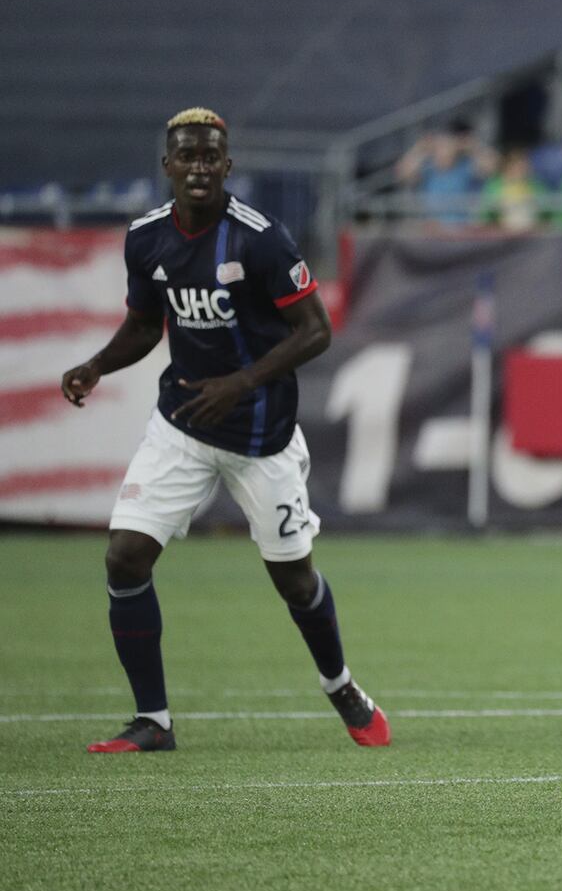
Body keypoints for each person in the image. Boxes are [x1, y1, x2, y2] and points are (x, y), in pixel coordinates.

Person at [59, 108, 388, 753]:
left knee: (295, 581)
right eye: (187, 156)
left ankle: (341, 685)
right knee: (125, 556)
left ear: (227, 166)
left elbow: (316, 330)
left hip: (262, 437)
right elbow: (143, 325)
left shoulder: (261, 239)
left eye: (211, 156)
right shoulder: (146, 238)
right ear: (168, 165)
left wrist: (241, 383)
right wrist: (97, 365)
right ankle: (153, 721)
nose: (199, 167)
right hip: (180, 426)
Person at [394, 119, 498, 223]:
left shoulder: (466, 167)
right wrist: (419, 148)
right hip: (432, 228)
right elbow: (402, 174)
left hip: (463, 228)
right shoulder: (428, 170)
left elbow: (492, 167)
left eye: (447, 145)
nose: (443, 150)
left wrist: (473, 145)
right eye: (440, 145)